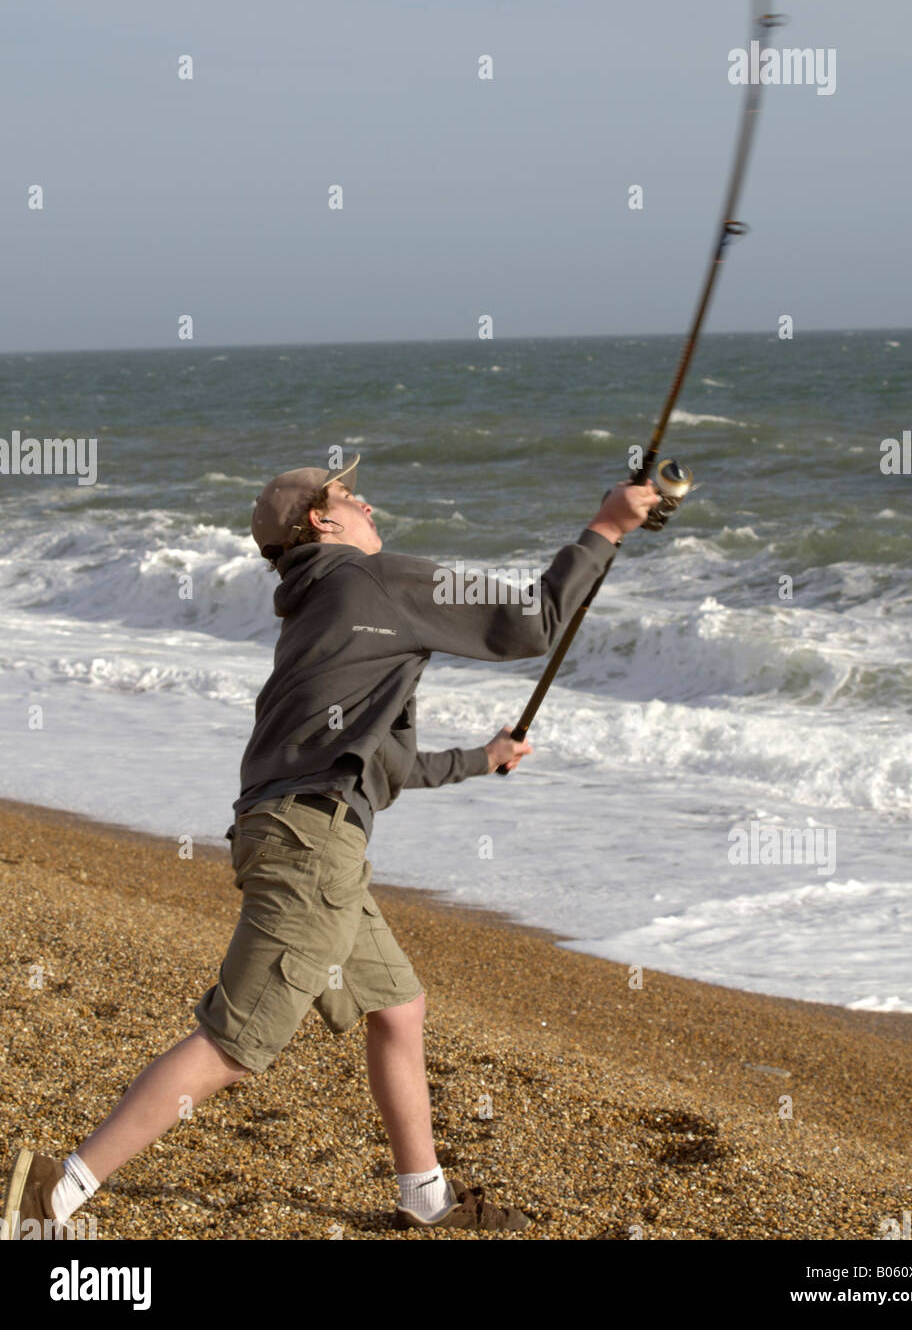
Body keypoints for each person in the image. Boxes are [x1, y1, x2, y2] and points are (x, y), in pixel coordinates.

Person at [2, 451, 660, 1238]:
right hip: (310, 844)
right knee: (237, 1040)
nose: (369, 505)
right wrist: (607, 527)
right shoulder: (372, 580)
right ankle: (56, 1194)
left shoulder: (317, 611)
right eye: (351, 496)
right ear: (322, 521)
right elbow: (534, 621)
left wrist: (477, 762)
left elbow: (380, 763)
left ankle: (426, 1199)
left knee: (399, 1006)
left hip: (295, 834)